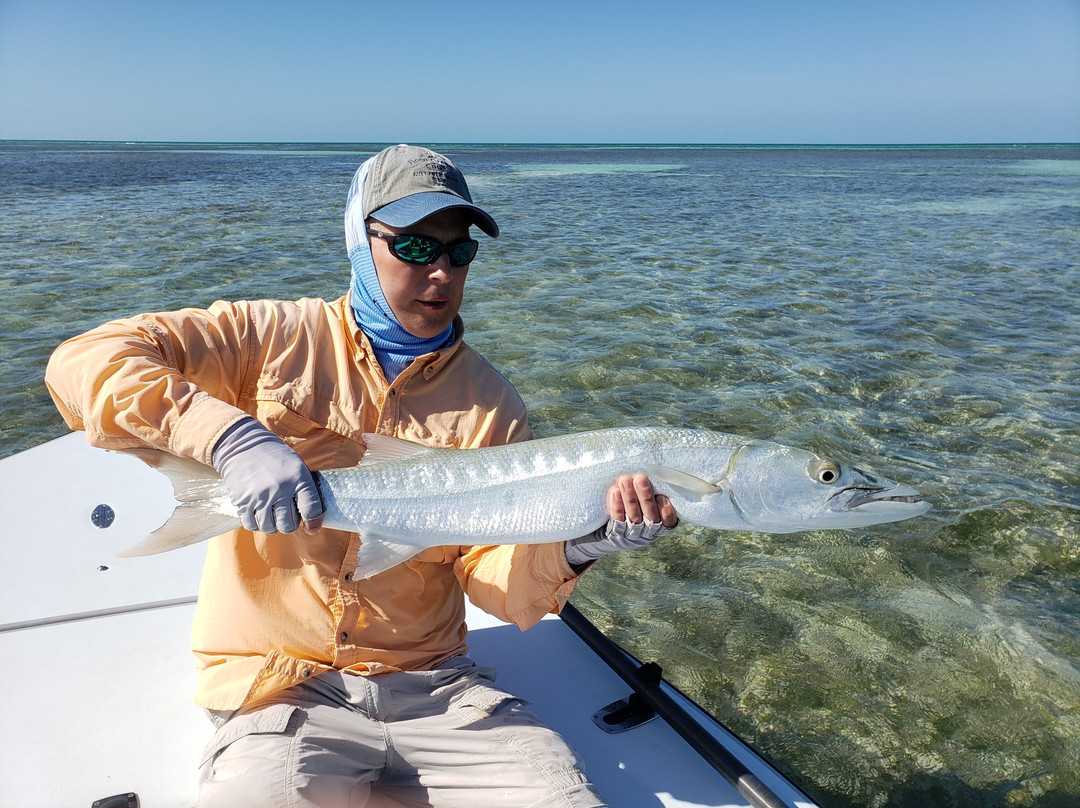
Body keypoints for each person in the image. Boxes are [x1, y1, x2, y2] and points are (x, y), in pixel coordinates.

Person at [45, 144, 679, 807]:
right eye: (413, 248)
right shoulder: (267, 337)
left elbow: (489, 579)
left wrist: (583, 544)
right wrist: (227, 436)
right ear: (359, 240)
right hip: (281, 687)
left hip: (439, 690)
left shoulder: (494, 403)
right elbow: (84, 361)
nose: (440, 272)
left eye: (458, 253)